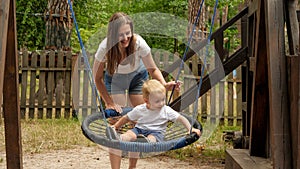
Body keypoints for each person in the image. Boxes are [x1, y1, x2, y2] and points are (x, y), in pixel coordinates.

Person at [93, 12, 180, 169]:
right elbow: (97, 78)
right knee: (116, 125)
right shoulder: (105, 48)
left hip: (137, 77)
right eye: (121, 35)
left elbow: (152, 69)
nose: (125, 38)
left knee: (140, 120)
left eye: (128, 33)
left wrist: (163, 84)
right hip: (115, 80)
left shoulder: (139, 43)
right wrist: (109, 103)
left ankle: (132, 167)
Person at [109, 79, 201, 144]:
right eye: (157, 101)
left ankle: (147, 143)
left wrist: (190, 129)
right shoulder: (140, 109)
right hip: (139, 129)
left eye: (163, 99)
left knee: (152, 138)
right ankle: (119, 138)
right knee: (130, 134)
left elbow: (181, 118)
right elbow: (126, 118)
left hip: (157, 132)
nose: (161, 103)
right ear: (146, 101)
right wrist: (116, 126)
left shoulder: (166, 110)